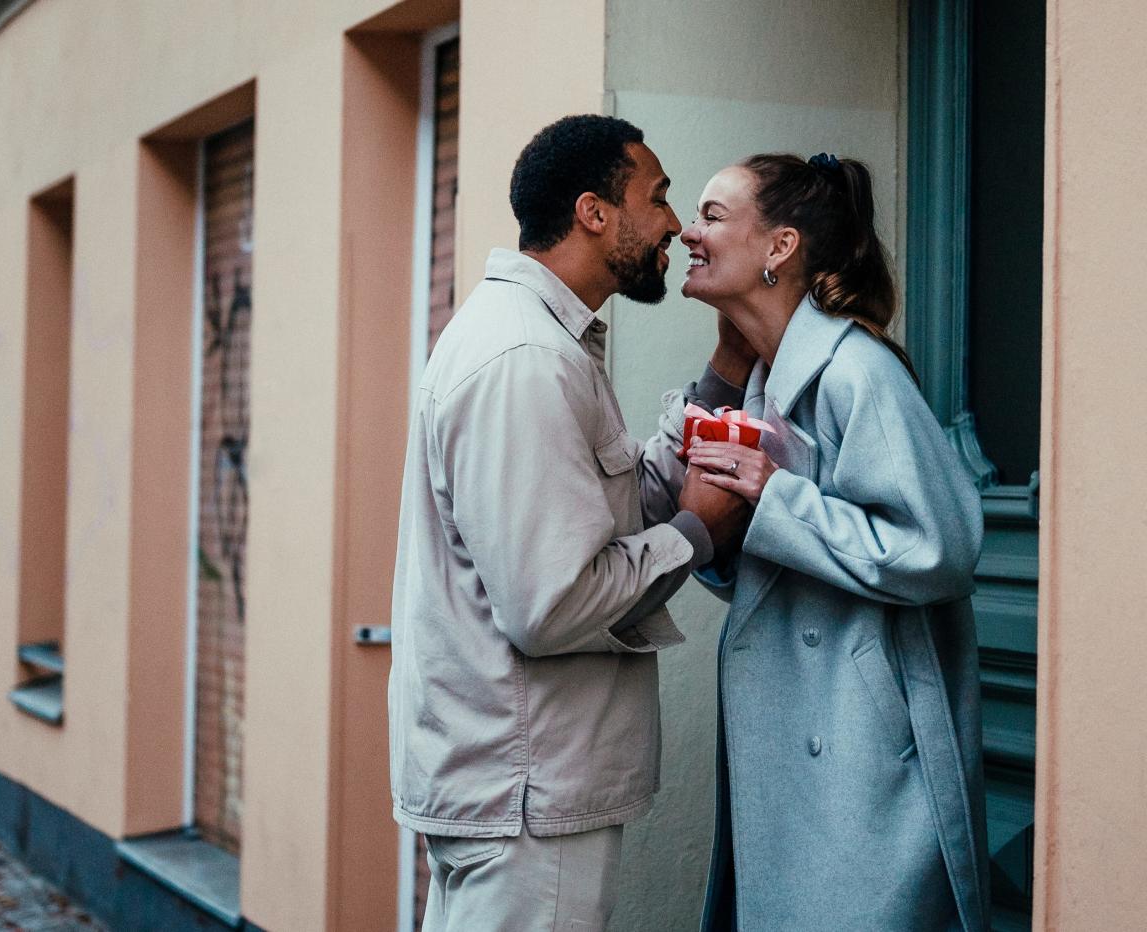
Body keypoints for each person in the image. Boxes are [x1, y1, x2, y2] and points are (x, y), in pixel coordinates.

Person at [388, 115, 749, 931]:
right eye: (656, 199)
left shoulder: (544, 343)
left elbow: (611, 512)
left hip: (515, 787)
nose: (675, 225)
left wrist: (724, 376)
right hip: (524, 795)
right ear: (594, 212)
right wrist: (698, 532)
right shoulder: (526, 359)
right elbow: (550, 604)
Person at [671, 153, 989, 930]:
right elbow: (773, 572)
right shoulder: (757, 382)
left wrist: (774, 496)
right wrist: (719, 527)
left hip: (862, 756)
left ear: (779, 247)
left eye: (712, 215)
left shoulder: (858, 372)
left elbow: (940, 547)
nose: (688, 232)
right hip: (801, 738)